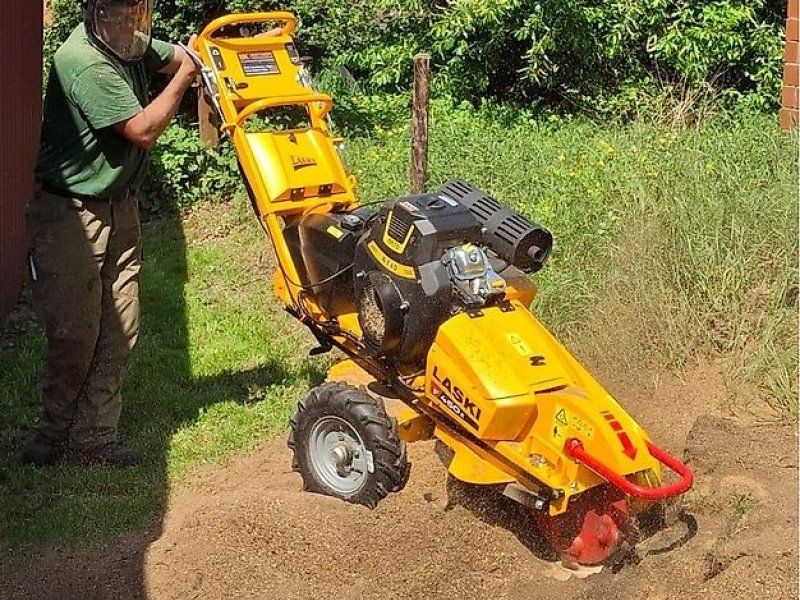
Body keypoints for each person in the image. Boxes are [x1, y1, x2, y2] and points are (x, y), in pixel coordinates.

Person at [22, 0, 200, 467]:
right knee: (76, 331)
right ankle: (52, 432)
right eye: (124, 14)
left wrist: (199, 56)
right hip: (71, 214)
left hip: (120, 207)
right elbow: (142, 129)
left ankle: (95, 437)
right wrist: (186, 78)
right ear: (99, 15)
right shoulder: (81, 62)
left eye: (138, 13)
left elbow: (178, 55)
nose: (133, 24)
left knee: (122, 325)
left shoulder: (128, 41)